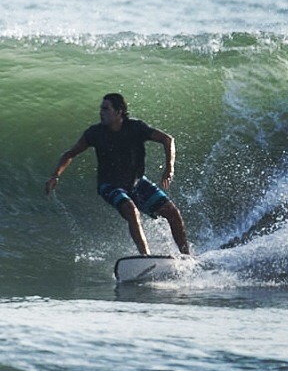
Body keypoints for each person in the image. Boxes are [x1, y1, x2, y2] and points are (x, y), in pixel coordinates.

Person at [45, 93, 189, 256]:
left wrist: (169, 168)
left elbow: (167, 139)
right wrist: (55, 175)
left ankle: (187, 256)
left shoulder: (136, 128)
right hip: (109, 185)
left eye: (106, 109)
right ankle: (145, 257)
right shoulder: (95, 133)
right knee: (131, 210)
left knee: (172, 212)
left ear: (119, 111)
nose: (101, 112)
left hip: (136, 183)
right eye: (101, 109)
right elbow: (70, 154)